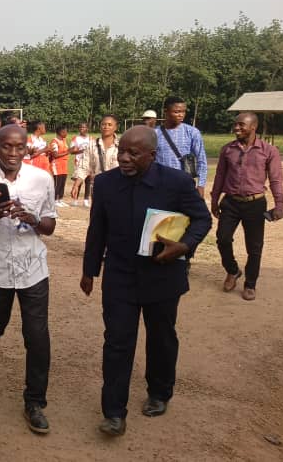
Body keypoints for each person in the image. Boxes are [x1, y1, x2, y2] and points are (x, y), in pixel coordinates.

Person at [80, 126, 211, 437]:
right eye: (122, 151)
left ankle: (159, 392)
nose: (124, 158)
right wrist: (89, 270)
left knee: (161, 338)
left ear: (152, 156)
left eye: (133, 154)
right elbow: (96, 228)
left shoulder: (176, 182)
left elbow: (202, 218)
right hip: (120, 277)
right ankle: (113, 413)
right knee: (117, 343)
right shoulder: (106, 183)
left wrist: (185, 245)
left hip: (162, 276)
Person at [0, 124, 57, 435]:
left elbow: (50, 225)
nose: (13, 153)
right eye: (7, 147)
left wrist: (33, 218)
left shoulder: (42, 179)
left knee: (36, 336)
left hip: (33, 269)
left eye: (20, 147)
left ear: (27, 149)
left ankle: (35, 401)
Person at [210, 112, 283, 301]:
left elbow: (276, 179)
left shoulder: (268, 150)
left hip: (256, 204)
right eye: (235, 125)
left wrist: (279, 205)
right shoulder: (228, 149)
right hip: (231, 202)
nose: (236, 128)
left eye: (241, 125)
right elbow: (219, 176)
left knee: (254, 247)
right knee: (222, 238)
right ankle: (233, 270)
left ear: (253, 127)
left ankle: (250, 284)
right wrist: (214, 200)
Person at [155, 96, 208, 197]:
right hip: (161, 186)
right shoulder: (154, 133)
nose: (181, 115)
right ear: (166, 111)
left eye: (183, 111)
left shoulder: (192, 132)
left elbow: (201, 160)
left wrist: (201, 186)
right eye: (176, 112)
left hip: (185, 185)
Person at [74, 115, 121, 207]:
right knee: (98, 217)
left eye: (110, 124)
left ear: (115, 127)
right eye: (103, 124)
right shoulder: (92, 145)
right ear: (100, 126)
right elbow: (84, 166)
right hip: (98, 188)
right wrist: (76, 185)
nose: (106, 127)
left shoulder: (122, 145)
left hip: (117, 188)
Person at [69, 122, 91, 206]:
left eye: (84, 127)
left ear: (87, 129)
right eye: (80, 127)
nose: (82, 129)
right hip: (79, 162)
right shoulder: (75, 139)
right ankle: (75, 199)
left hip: (88, 163)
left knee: (88, 181)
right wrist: (81, 151)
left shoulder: (91, 138)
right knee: (78, 182)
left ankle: (86, 200)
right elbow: (71, 151)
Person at [50, 125, 70, 207]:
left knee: (62, 183)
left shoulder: (64, 140)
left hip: (64, 164)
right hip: (57, 164)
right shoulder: (54, 142)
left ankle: (60, 199)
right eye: (64, 132)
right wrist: (69, 151)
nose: (66, 133)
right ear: (60, 133)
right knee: (57, 183)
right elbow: (55, 155)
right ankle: (55, 200)